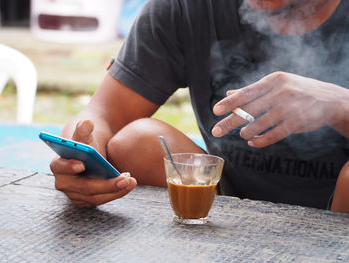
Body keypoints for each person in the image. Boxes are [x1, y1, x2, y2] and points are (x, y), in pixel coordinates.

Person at [50, 0, 349, 212]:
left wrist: (339, 105)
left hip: (339, 209)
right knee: (138, 141)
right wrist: (81, 162)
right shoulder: (187, 7)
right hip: (228, 203)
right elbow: (101, 115)